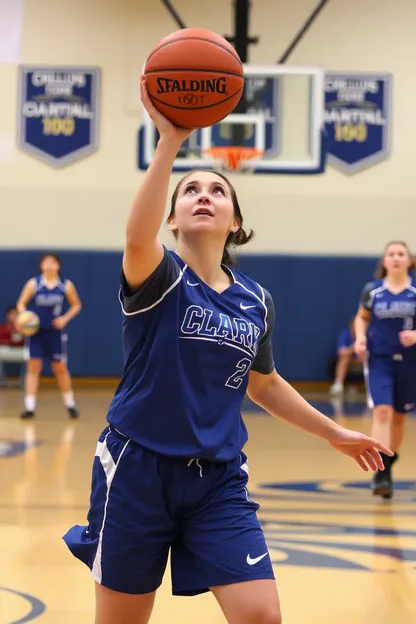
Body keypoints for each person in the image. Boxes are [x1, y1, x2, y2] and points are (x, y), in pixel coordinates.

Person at [62, 77, 392, 624]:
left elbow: (262, 383)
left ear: (234, 222)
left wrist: (335, 432)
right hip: (137, 469)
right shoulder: (160, 276)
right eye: (190, 191)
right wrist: (169, 142)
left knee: (262, 615)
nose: (203, 196)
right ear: (172, 219)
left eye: (217, 191)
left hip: (216, 478)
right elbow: (136, 239)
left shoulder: (255, 299)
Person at [354, 240, 416, 499]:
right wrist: (360, 337)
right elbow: (361, 317)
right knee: (382, 412)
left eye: (401, 253)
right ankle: (380, 470)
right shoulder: (373, 291)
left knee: (400, 417)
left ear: (409, 260)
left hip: (411, 362)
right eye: (391, 254)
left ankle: (388, 462)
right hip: (380, 359)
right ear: (384, 261)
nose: (396, 258)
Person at [16, 253, 82, 419]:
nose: (49, 265)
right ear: (41, 266)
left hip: (55, 332)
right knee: (33, 367)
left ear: (58, 266)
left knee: (60, 368)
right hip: (36, 332)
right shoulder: (34, 284)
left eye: (53, 262)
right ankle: (29, 407)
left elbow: (76, 305)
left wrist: (64, 319)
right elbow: (21, 303)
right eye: (46, 262)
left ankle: (70, 405)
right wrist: (26, 316)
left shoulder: (65, 285)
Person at [329, 319, 363, 395]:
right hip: (349, 360)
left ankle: (370, 386)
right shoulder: (345, 335)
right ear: (351, 326)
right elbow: (341, 352)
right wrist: (353, 348)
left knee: (366, 360)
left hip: (361, 360)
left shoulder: (364, 336)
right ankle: (338, 385)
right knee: (344, 359)